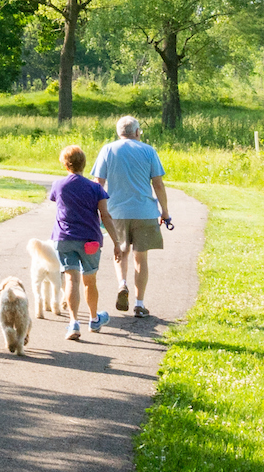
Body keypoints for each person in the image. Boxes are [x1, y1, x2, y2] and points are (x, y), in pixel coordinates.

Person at [91, 115, 172, 318]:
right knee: (141, 257)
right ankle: (139, 303)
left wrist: (96, 210)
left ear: (119, 133)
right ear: (137, 132)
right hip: (144, 212)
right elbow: (158, 184)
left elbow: (98, 183)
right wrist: (165, 212)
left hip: (116, 211)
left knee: (121, 251)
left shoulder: (108, 150)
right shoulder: (148, 150)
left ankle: (122, 284)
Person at [48, 144, 123, 341]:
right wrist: (116, 242)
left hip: (63, 239)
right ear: (84, 164)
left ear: (65, 165)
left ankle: (73, 322)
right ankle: (93, 319)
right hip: (90, 241)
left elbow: (57, 202)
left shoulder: (58, 185)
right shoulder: (95, 188)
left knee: (71, 279)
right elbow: (105, 216)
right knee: (89, 281)